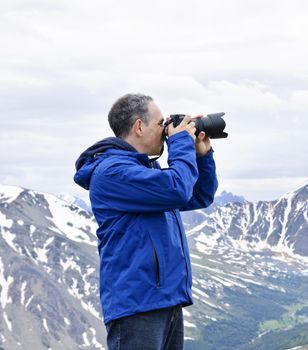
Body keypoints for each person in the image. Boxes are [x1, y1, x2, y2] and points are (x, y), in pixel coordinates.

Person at [74, 93, 218, 349]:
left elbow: (199, 195)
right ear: (139, 126)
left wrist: (202, 157)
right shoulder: (112, 173)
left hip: (166, 301)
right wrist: (180, 143)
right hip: (137, 307)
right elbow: (177, 190)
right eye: (161, 124)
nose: (166, 131)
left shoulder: (144, 171)